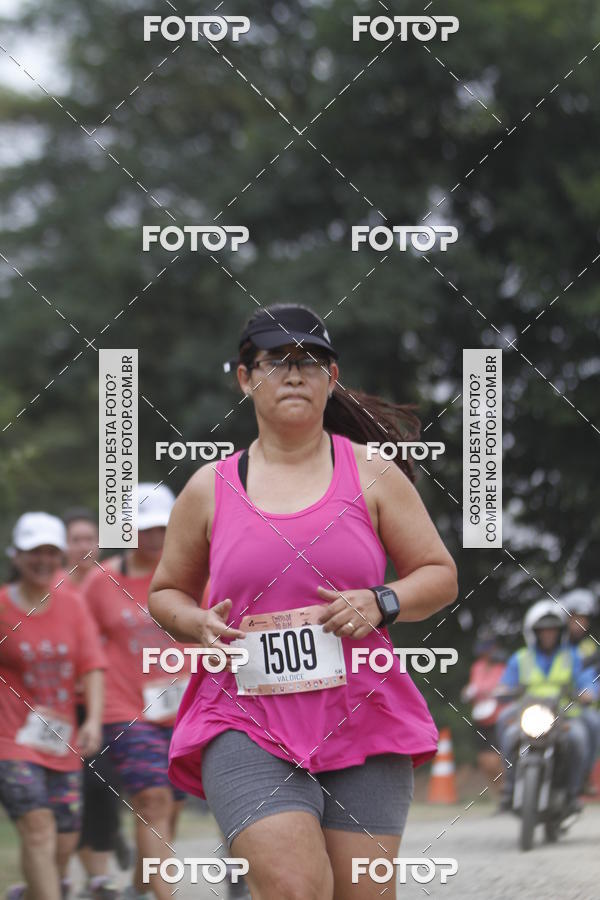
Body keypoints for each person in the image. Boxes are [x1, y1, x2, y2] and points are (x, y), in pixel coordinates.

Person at [148, 303, 458, 900]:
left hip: (361, 712)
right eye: (276, 361)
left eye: (312, 361)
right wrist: (193, 620)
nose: (296, 374)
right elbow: (166, 591)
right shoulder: (208, 487)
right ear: (245, 376)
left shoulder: (373, 472)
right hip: (243, 716)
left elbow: (438, 574)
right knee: (294, 887)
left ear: (331, 378)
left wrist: (381, 600)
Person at [84, 485, 189, 900]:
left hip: (184, 707)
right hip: (125, 707)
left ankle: (141, 886)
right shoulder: (100, 582)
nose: (154, 537)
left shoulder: (192, 573)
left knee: (173, 804)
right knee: (152, 798)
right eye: (144, 529)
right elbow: (83, 642)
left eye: (162, 528)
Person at [0, 512, 105, 900]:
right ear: (16, 556)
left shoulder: (73, 607)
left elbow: (92, 664)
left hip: (62, 743)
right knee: (38, 827)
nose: (42, 560)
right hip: (10, 740)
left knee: (63, 843)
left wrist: (93, 719)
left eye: (50, 552)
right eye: (33, 552)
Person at [62, 509, 130, 899]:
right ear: (64, 546)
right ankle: (98, 869)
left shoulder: (113, 583)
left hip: (109, 701)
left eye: (90, 539)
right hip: (63, 705)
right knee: (83, 786)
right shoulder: (54, 588)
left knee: (103, 781)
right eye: (76, 540)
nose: (84, 547)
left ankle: (103, 862)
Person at [496, 599, 598, 814]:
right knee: (505, 725)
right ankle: (511, 787)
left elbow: (586, 680)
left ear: (560, 632)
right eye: (543, 631)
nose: (548, 635)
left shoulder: (572, 656)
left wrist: (588, 692)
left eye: (552, 630)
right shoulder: (520, 658)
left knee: (579, 737)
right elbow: (505, 684)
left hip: (564, 714)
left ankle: (573, 792)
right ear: (534, 632)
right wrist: (501, 691)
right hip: (528, 713)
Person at [562, 589, 600, 792]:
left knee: (595, 722)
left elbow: (592, 676)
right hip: (548, 704)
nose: (580, 623)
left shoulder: (589, 647)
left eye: (584, 619)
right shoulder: (552, 642)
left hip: (577, 705)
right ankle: (513, 786)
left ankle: (584, 776)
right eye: (576, 617)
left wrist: (590, 691)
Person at [461, 626, 506, 788]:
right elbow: (472, 688)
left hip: (499, 718)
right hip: (481, 719)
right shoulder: (477, 667)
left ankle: (508, 789)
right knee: (483, 760)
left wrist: (490, 692)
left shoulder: (503, 667)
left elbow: (504, 689)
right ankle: (500, 794)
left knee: (496, 759)